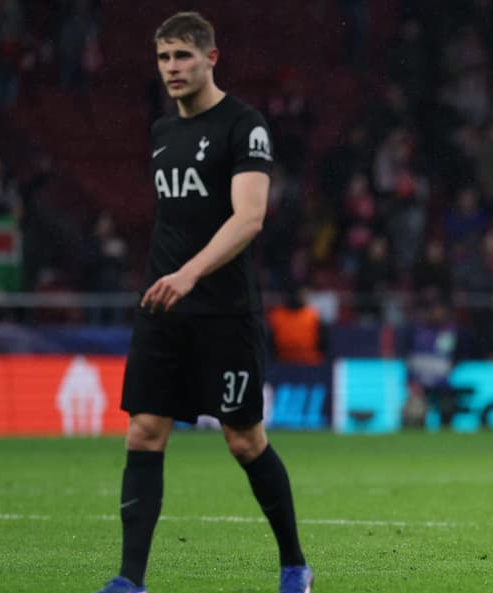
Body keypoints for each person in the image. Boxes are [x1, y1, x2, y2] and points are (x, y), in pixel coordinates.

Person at [93, 13, 312, 593]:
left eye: (182, 57)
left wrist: (189, 273)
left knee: (243, 439)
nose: (171, 68)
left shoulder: (245, 125)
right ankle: (129, 580)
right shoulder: (163, 132)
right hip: (164, 305)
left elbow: (250, 217)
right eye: (163, 57)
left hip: (223, 309)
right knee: (143, 431)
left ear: (210, 59)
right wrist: (172, 279)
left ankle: (294, 564)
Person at [267, 283, 329, 365]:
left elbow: (324, 342)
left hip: (310, 364)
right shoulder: (277, 316)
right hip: (283, 364)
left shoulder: (313, 315)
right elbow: (271, 344)